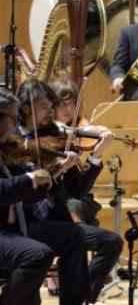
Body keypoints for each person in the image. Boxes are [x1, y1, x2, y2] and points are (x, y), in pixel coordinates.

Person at [17, 80, 122, 302]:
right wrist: (55, 170)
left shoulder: (58, 139)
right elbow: (23, 189)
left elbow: (77, 190)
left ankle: (81, 297)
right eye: (45, 107)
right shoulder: (18, 142)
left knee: (111, 242)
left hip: (56, 220)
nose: (51, 112)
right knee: (72, 237)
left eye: (50, 106)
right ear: (26, 108)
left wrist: (96, 155)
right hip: (28, 223)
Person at [0, 86, 89, 305]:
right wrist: (29, 179)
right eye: (10, 117)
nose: (13, 124)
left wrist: (52, 173)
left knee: (73, 236)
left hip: (14, 227)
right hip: (4, 230)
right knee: (37, 255)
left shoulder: (7, 148)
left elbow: (26, 195)